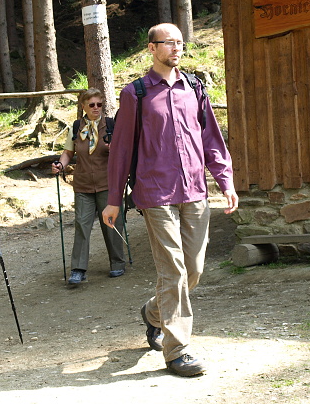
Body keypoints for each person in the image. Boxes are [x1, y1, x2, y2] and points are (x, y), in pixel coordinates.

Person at [102, 23, 239, 377]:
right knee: (173, 269)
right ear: (152, 48)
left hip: (194, 189)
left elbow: (211, 138)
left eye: (180, 42)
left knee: (193, 268)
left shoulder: (194, 87)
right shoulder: (137, 93)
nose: (176, 48)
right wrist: (114, 198)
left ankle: (152, 312)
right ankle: (176, 350)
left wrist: (225, 180)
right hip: (155, 192)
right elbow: (121, 149)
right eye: (168, 43)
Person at [52, 88, 126, 285]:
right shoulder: (76, 127)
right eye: (91, 104)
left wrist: (114, 149)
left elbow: (123, 152)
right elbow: (68, 152)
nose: (96, 108)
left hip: (107, 183)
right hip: (83, 183)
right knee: (82, 226)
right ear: (83, 106)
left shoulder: (111, 125)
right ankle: (78, 269)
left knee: (111, 224)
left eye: (99, 104)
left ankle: (117, 262)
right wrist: (61, 165)